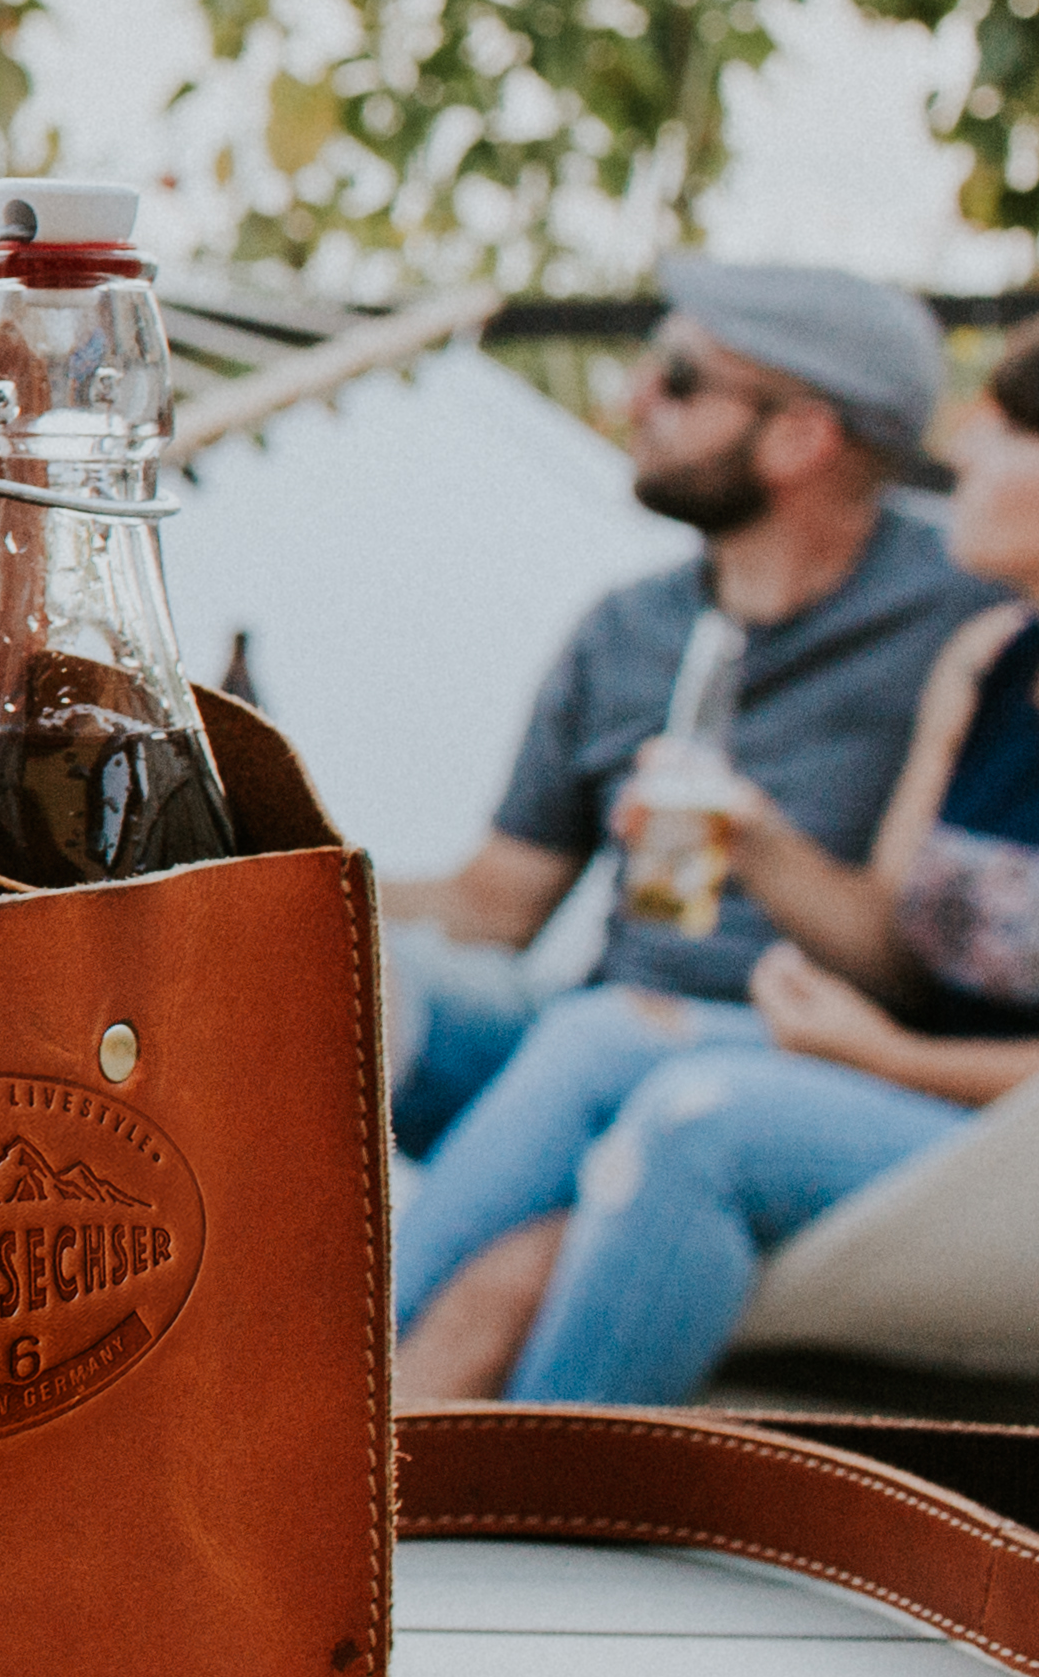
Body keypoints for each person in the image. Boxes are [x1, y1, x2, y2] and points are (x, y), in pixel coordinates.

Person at [394, 305, 1039, 1404]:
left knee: (698, 1121)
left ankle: (530, 1516)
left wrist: (889, 1062)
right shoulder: (987, 661)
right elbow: (893, 947)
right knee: (596, 1035)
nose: (958, 453)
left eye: (1002, 429)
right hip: (914, 1112)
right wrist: (754, 841)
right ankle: (353, 1398)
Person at [382, 262, 1003, 1154]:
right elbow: (494, 907)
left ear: (798, 438)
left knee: (593, 1080)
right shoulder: (626, 629)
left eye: (677, 378)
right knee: (291, 987)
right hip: (582, 1035)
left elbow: (929, 960)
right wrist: (266, 883)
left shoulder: (969, 621)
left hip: (806, 1065)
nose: (634, 398)